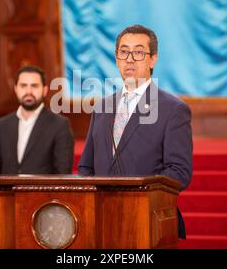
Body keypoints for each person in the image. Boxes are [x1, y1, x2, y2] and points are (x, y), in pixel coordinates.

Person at [78, 24, 193, 239]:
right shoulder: (102, 107)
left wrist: (137, 194)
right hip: (101, 219)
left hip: (147, 220)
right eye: (123, 52)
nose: (129, 59)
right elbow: (86, 167)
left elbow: (179, 172)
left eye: (138, 52)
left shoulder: (173, 109)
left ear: (153, 59)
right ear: (116, 58)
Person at [0, 65, 74, 174]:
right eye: (23, 86)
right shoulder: (2, 125)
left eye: (34, 86)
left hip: (42, 191)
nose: (28, 91)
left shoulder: (60, 125)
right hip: (6, 191)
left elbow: (63, 174)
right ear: (16, 89)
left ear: (45, 90)